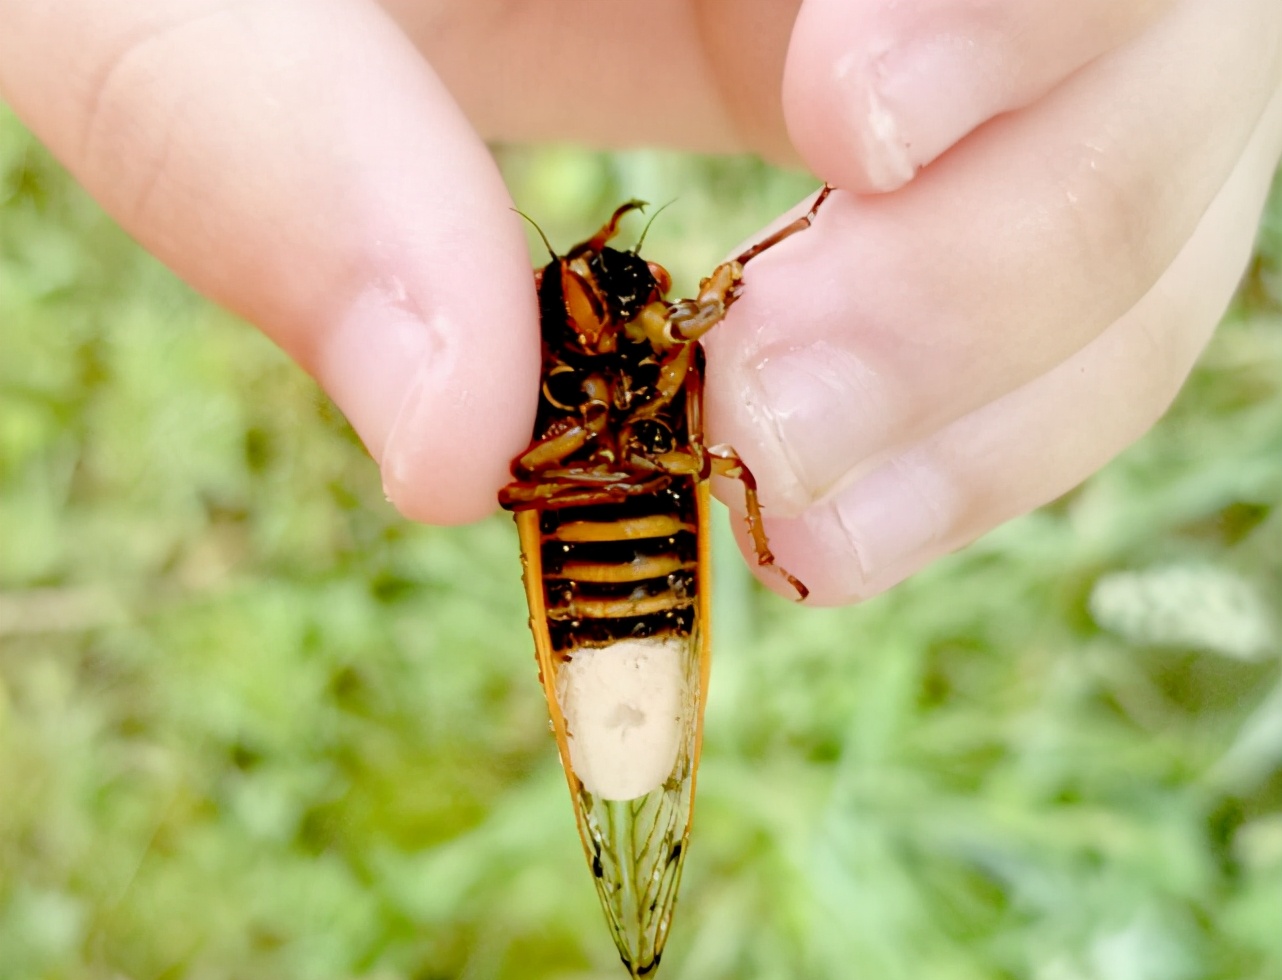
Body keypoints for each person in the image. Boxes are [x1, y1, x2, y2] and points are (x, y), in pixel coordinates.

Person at [2, 0, 1278, 606]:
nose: (618, 297)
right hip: (617, 518)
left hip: (621, 514)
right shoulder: (623, 362)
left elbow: (691, 400)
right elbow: (531, 465)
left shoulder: (669, 346)